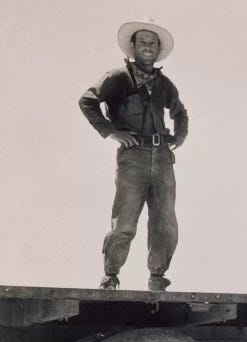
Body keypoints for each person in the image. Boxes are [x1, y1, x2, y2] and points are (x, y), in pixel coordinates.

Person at [80, 18, 188, 291]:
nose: (148, 47)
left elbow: (180, 113)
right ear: (133, 47)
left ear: (158, 49)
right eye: (143, 43)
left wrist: (179, 136)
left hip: (162, 158)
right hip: (133, 157)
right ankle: (110, 275)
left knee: (165, 221)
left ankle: (157, 276)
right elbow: (87, 100)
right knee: (125, 222)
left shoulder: (164, 84)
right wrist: (111, 132)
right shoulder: (117, 78)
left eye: (153, 43)